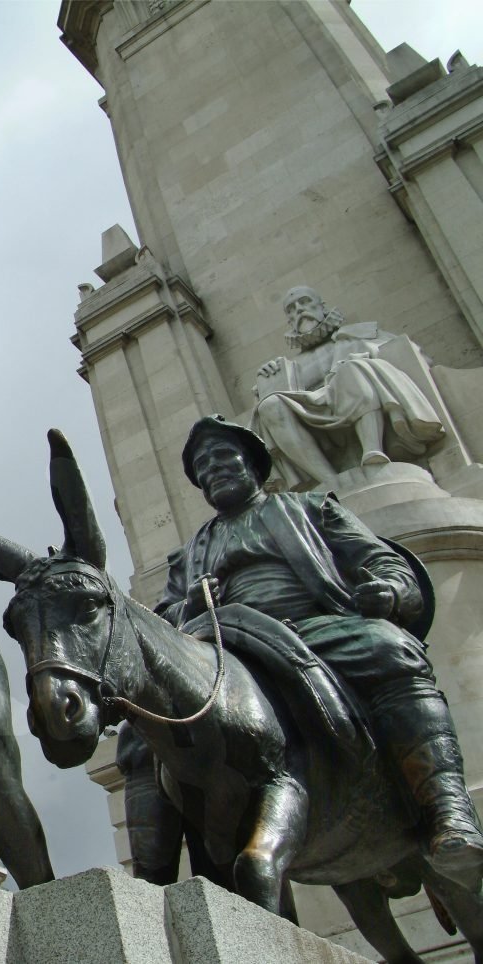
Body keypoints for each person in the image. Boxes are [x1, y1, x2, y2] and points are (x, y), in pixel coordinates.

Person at [156, 415, 483, 891]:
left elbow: (382, 561)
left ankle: (446, 808)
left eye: (223, 456)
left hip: (314, 629)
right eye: (202, 466)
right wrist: (187, 605)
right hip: (229, 649)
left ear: (253, 465)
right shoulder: (189, 555)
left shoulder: (310, 509)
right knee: (143, 729)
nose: (213, 469)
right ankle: (165, 874)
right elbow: (164, 620)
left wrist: (388, 591)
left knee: (392, 650)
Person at [251, 285, 444, 488]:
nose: (299, 310)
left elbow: (411, 356)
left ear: (321, 306)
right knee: (269, 405)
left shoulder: (356, 335)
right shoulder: (292, 367)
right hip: (316, 424)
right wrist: (265, 386)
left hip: (357, 397)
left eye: (305, 301)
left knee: (351, 368)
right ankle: (331, 482)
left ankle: (373, 451)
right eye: (291, 308)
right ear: (289, 321)